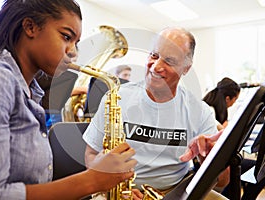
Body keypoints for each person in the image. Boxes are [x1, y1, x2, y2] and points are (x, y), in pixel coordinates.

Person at [0, 0, 137, 199]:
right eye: (66, 37)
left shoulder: (31, 93)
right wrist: (92, 180)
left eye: (76, 43)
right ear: (30, 27)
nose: (73, 52)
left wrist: (103, 181)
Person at [83, 27, 229, 199]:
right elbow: (91, 155)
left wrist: (209, 159)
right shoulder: (116, 98)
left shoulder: (200, 110)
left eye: (169, 61)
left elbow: (222, 181)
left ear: (186, 68)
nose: (157, 66)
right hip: (117, 189)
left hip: (176, 192)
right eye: (154, 55)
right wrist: (114, 186)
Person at [203, 77, 265, 200]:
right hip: (210, 163)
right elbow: (217, 137)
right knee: (260, 171)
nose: (234, 103)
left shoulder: (215, 110)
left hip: (220, 161)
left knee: (256, 169)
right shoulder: (209, 110)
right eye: (235, 100)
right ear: (228, 98)